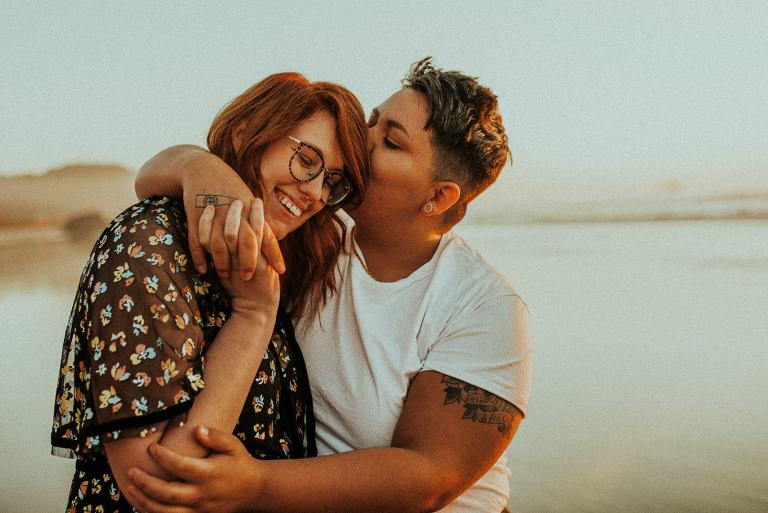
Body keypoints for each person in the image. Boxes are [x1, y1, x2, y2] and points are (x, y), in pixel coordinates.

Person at [127, 58, 532, 513]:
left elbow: (429, 475)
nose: (363, 139)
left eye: (391, 141)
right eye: (372, 120)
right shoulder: (316, 226)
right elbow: (148, 178)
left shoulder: (485, 306)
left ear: (438, 197)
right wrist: (197, 167)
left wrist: (257, 484)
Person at [50, 72, 369, 512]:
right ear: (246, 133)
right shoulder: (149, 242)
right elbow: (157, 484)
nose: (314, 192)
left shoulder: (276, 258)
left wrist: (188, 163)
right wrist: (254, 315)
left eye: (332, 181)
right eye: (306, 159)